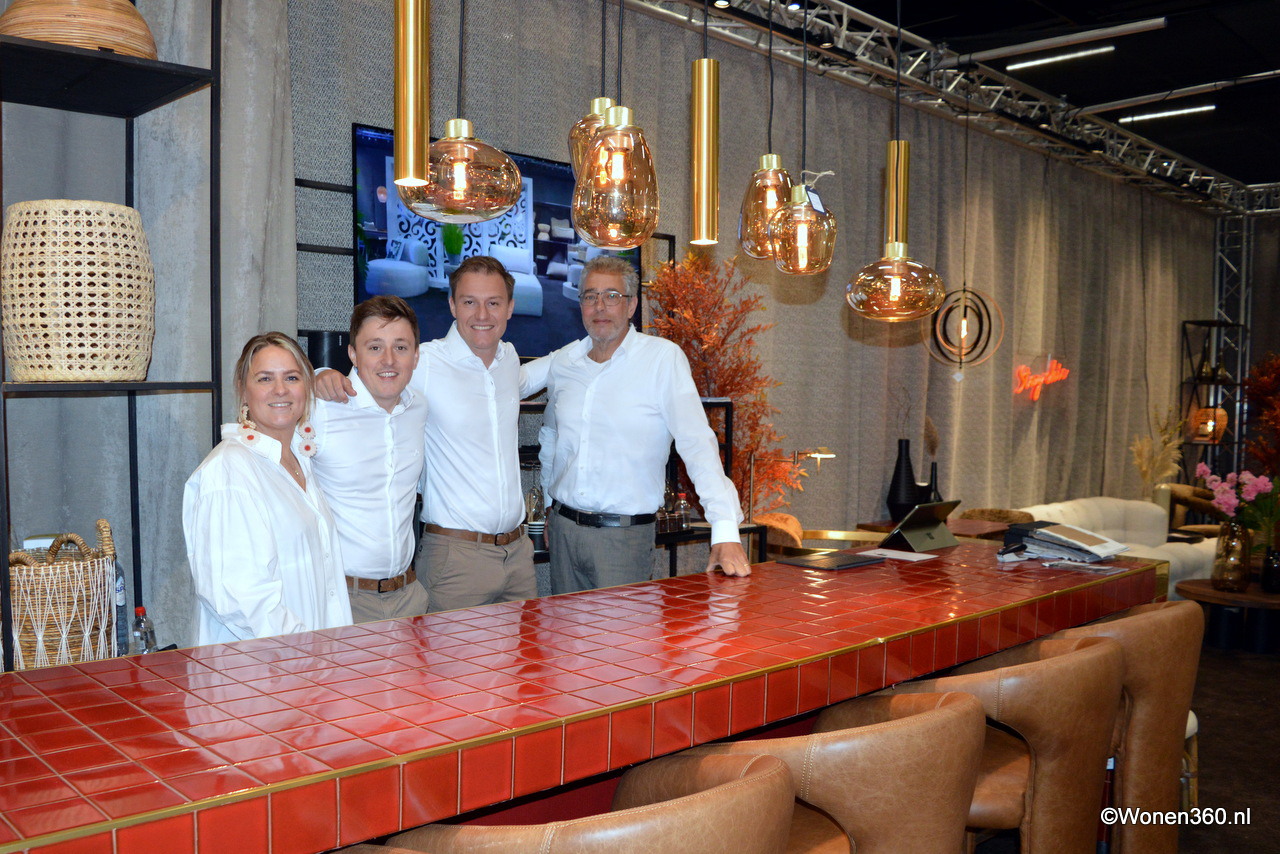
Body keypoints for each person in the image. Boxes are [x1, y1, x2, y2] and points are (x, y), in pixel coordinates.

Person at [315, 255, 538, 612]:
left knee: (522, 649)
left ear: (510, 308)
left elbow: (541, 374)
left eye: (494, 303)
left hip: (518, 555)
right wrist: (321, 373)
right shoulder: (425, 362)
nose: (482, 314)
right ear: (451, 305)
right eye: (469, 302)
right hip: (456, 556)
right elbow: (372, 374)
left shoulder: (509, 360)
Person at [536, 255, 751, 594]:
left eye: (612, 296)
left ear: (632, 305)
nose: (600, 306)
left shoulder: (661, 359)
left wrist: (724, 530)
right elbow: (552, 437)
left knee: (625, 632)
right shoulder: (565, 363)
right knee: (562, 630)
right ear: (580, 304)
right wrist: (551, 508)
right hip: (563, 533)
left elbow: (696, 443)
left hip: (623, 540)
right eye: (590, 296)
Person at [183, 332, 351, 645]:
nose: (280, 389)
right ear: (243, 391)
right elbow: (242, 599)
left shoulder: (300, 459)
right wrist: (309, 651)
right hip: (263, 665)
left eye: (291, 377)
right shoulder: (229, 470)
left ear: (306, 388)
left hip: (311, 659)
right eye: (264, 379)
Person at [309, 296, 430, 622]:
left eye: (401, 347)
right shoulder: (321, 410)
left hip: (409, 596)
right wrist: (314, 375)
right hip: (345, 600)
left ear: (416, 356)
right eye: (375, 347)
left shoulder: (418, 407)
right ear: (353, 354)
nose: (388, 360)